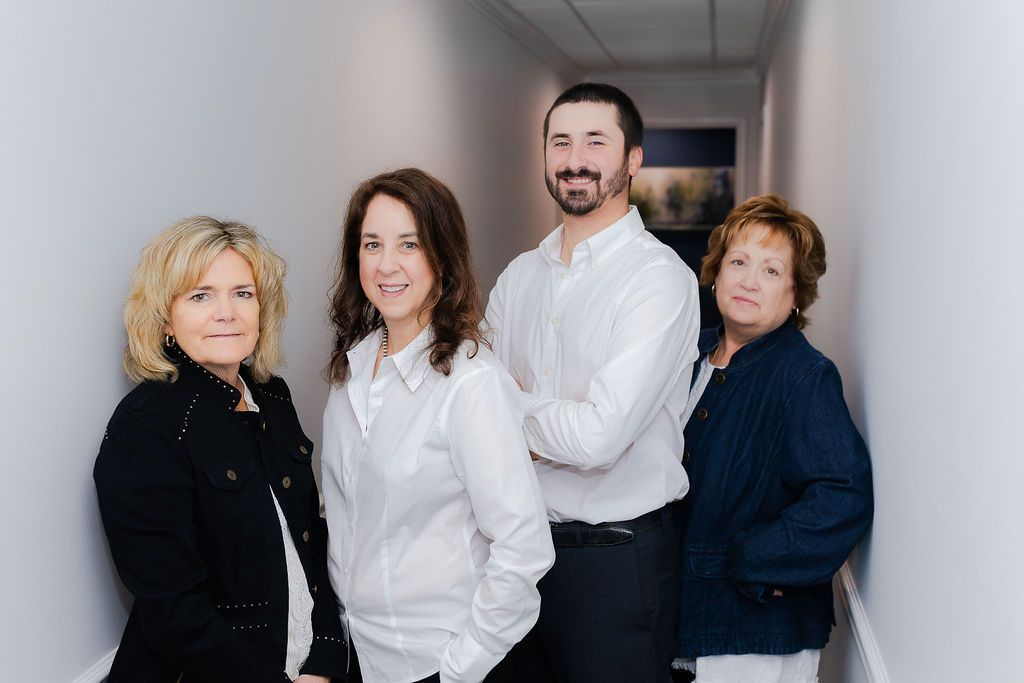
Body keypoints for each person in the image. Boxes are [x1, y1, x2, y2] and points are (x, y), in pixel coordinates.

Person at [485, 83, 700, 682]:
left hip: (616, 568)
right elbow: (469, 401)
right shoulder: (519, 276)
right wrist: (526, 417)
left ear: (633, 160)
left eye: (595, 142)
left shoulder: (658, 281)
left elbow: (597, 438)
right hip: (516, 555)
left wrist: (508, 416)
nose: (574, 159)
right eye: (560, 142)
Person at [321, 168, 554, 683]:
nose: (387, 265)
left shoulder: (471, 384)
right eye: (372, 244)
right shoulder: (349, 374)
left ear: (442, 257)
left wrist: (458, 669)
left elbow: (524, 548)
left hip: (443, 664)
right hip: (360, 656)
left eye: (409, 244)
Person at [94, 217, 348, 683]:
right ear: (165, 319)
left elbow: (310, 543)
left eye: (243, 293)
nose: (226, 312)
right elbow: (175, 615)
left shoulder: (272, 396)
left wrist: (327, 660)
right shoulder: (144, 429)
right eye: (200, 295)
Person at [674, 194, 874, 683]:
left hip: (754, 640)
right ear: (716, 273)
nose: (747, 280)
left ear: (796, 292)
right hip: (687, 622)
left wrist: (754, 559)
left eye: (770, 271)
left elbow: (843, 497)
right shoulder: (689, 353)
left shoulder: (803, 376)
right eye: (738, 261)